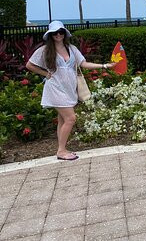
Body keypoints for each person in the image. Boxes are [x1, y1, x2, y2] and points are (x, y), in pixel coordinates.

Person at [26, 21, 116, 160]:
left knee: (62, 120)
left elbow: (83, 64)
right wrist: (45, 74)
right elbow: (29, 65)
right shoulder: (45, 50)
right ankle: (61, 151)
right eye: (55, 32)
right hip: (55, 88)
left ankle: (62, 148)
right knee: (71, 118)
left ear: (64, 33)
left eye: (61, 32)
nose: (58, 35)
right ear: (50, 35)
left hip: (69, 88)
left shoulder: (72, 48)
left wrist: (104, 65)